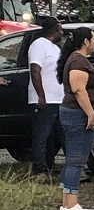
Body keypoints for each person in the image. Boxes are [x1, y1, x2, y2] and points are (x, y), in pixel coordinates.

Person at [56, 27, 94, 210]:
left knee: (73, 161)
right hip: (78, 114)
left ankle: (68, 204)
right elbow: (78, 90)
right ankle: (71, 205)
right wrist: (90, 114)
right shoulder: (78, 61)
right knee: (76, 161)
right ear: (85, 41)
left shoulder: (78, 60)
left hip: (74, 113)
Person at [27, 16, 65, 178]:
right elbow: (35, 70)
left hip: (59, 100)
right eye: (60, 29)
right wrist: (41, 95)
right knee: (41, 136)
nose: (62, 33)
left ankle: (69, 169)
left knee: (63, 135)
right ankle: (40, 170)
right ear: (53, 30)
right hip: (44, 100)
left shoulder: (55, 48)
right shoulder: (38, 45)